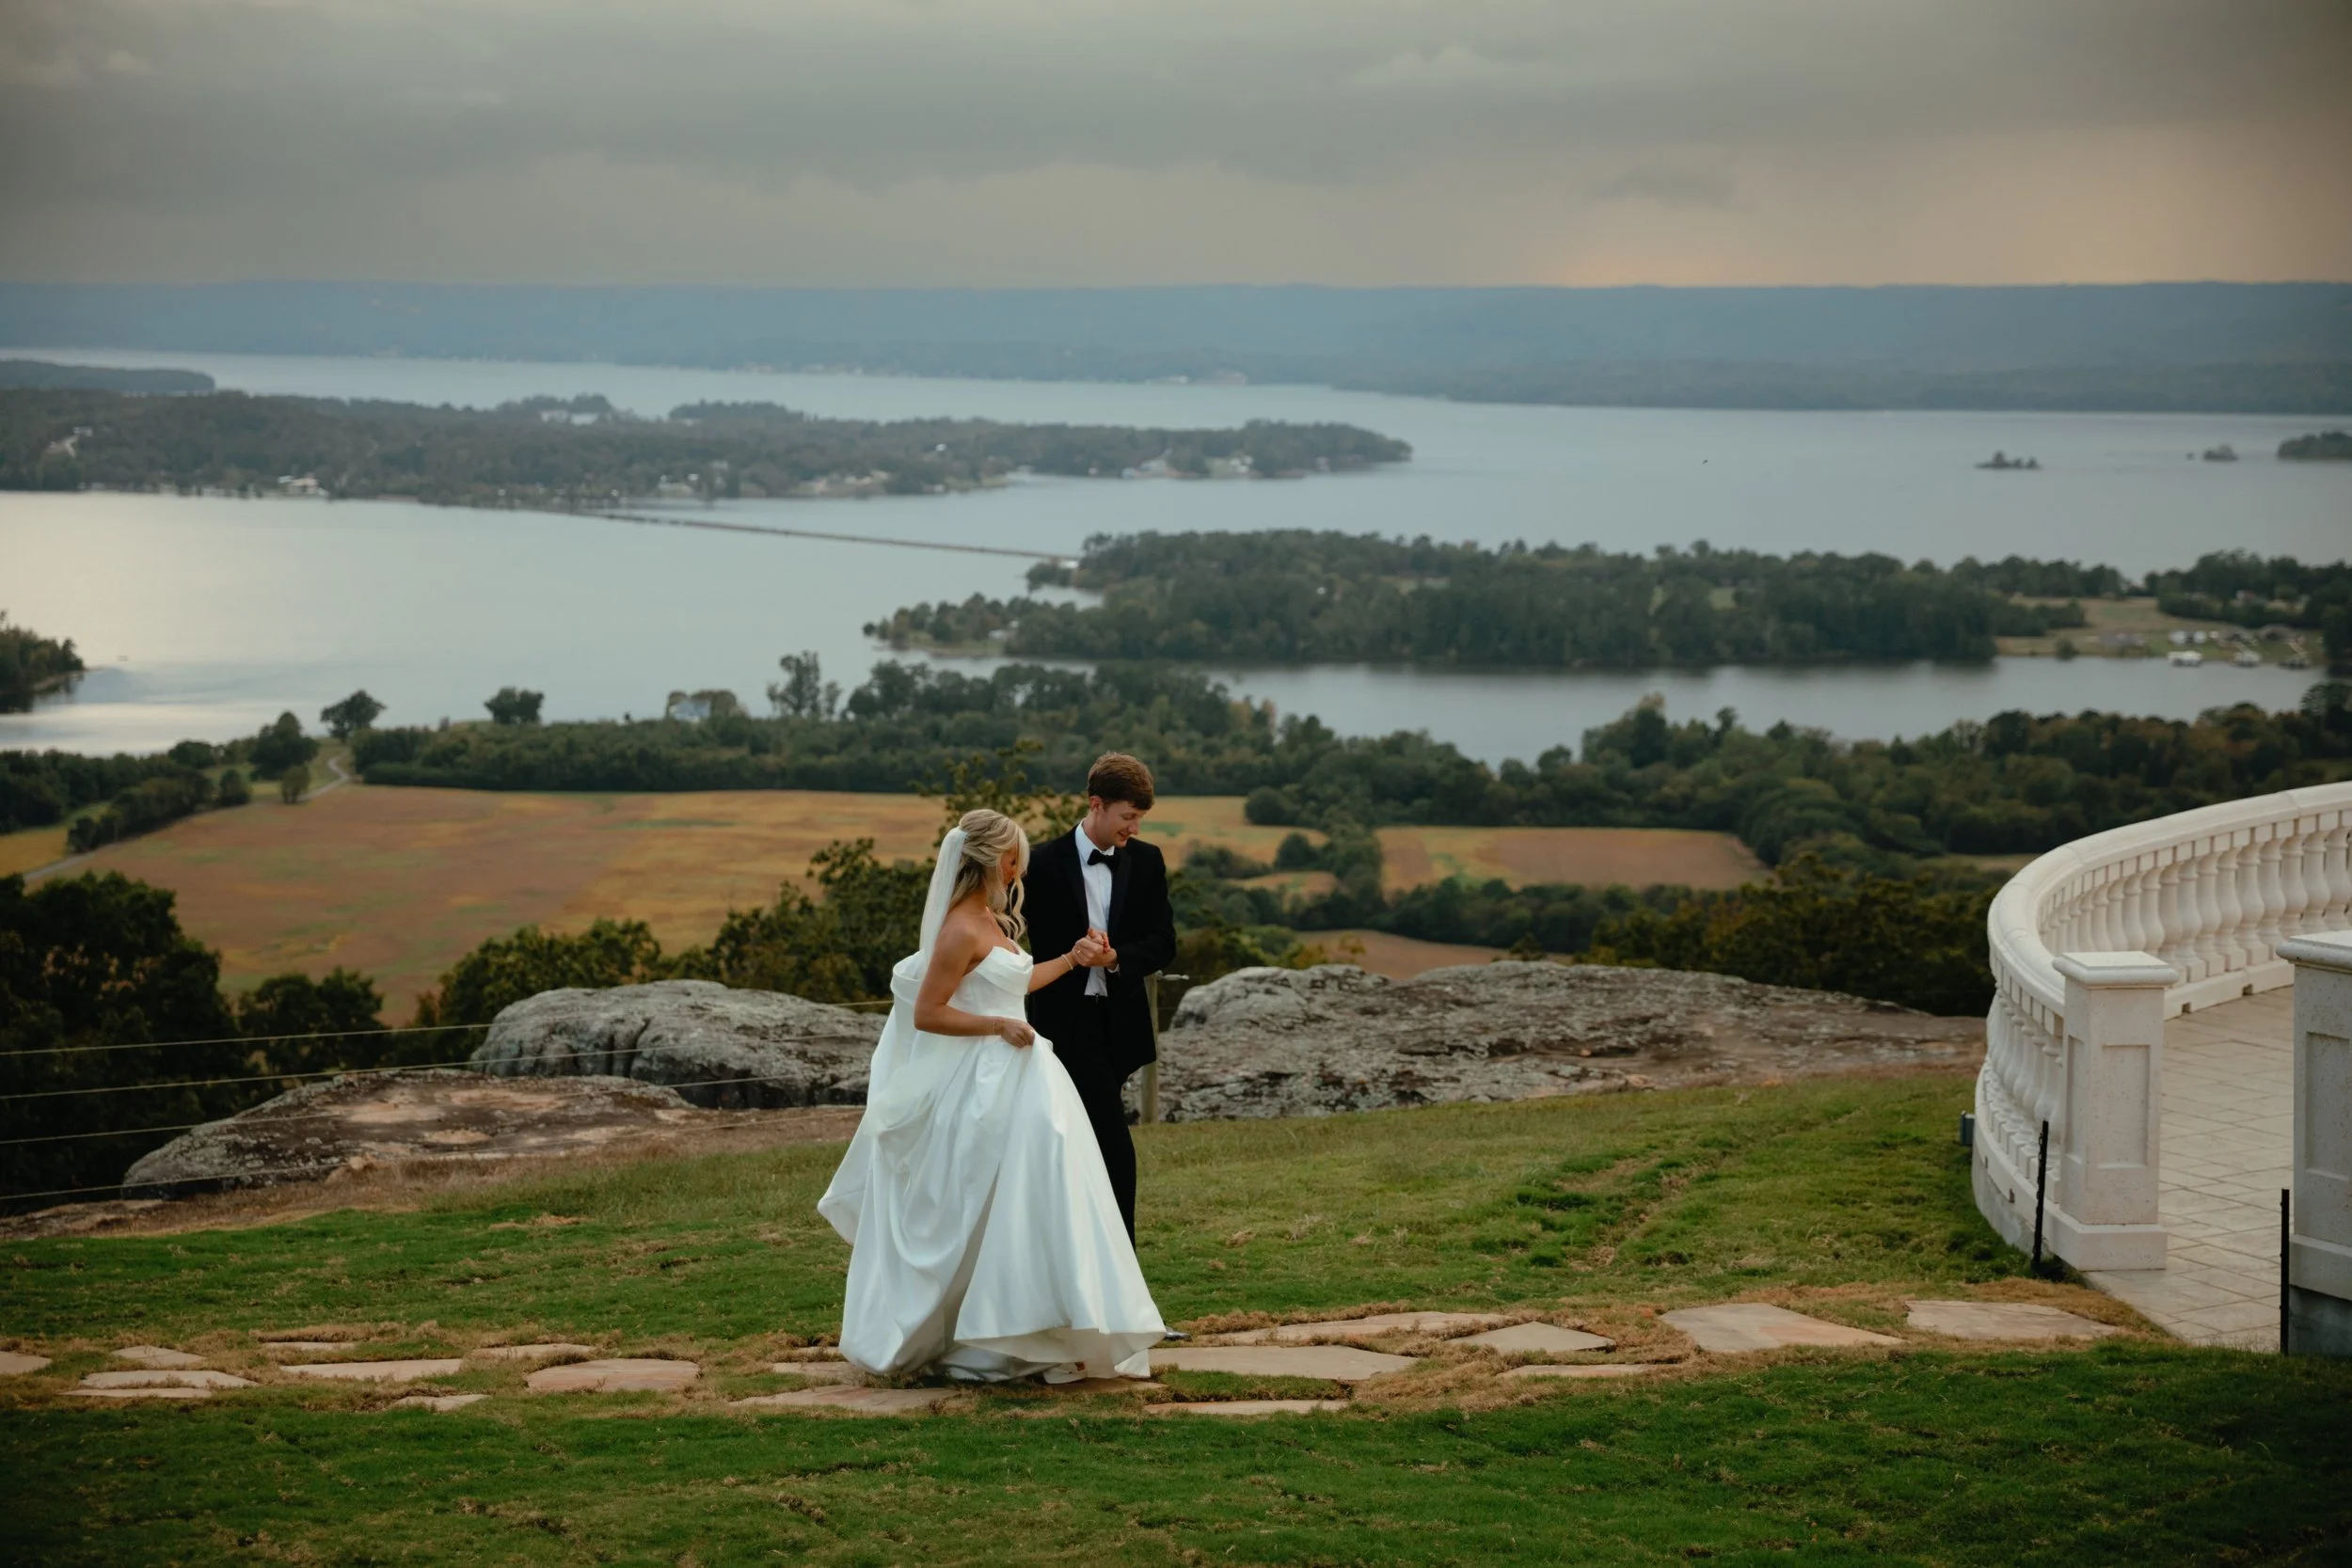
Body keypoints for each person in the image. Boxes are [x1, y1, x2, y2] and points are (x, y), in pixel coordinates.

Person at [818, 809, 1166, 1382]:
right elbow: (929, 1012)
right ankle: (994, 1335)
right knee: (991, 1200)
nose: (1018, 869)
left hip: (1025, 1074)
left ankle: (1053, 1327)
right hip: (983, 1079)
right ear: (988, 861)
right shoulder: (958, 928)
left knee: (1044, 1195)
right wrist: (997, 1027)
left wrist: (1072, 958)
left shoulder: (991, 919)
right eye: (1011, 859)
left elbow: (1012, 983)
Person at [1021, 752, 1178, 1240]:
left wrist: (1113, 959)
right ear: (1096, 804)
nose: (1134, 827)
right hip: (1061, 1024)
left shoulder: (1147, 861)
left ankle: (1085, 1251)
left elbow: (1164, 943)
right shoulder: (1040, 864)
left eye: (1139, 818)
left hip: (1121, 1023)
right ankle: (1117, 1257)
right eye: (1127, 816)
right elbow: (1009, 936)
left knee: (1084, 1137)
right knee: (1109, 1140)